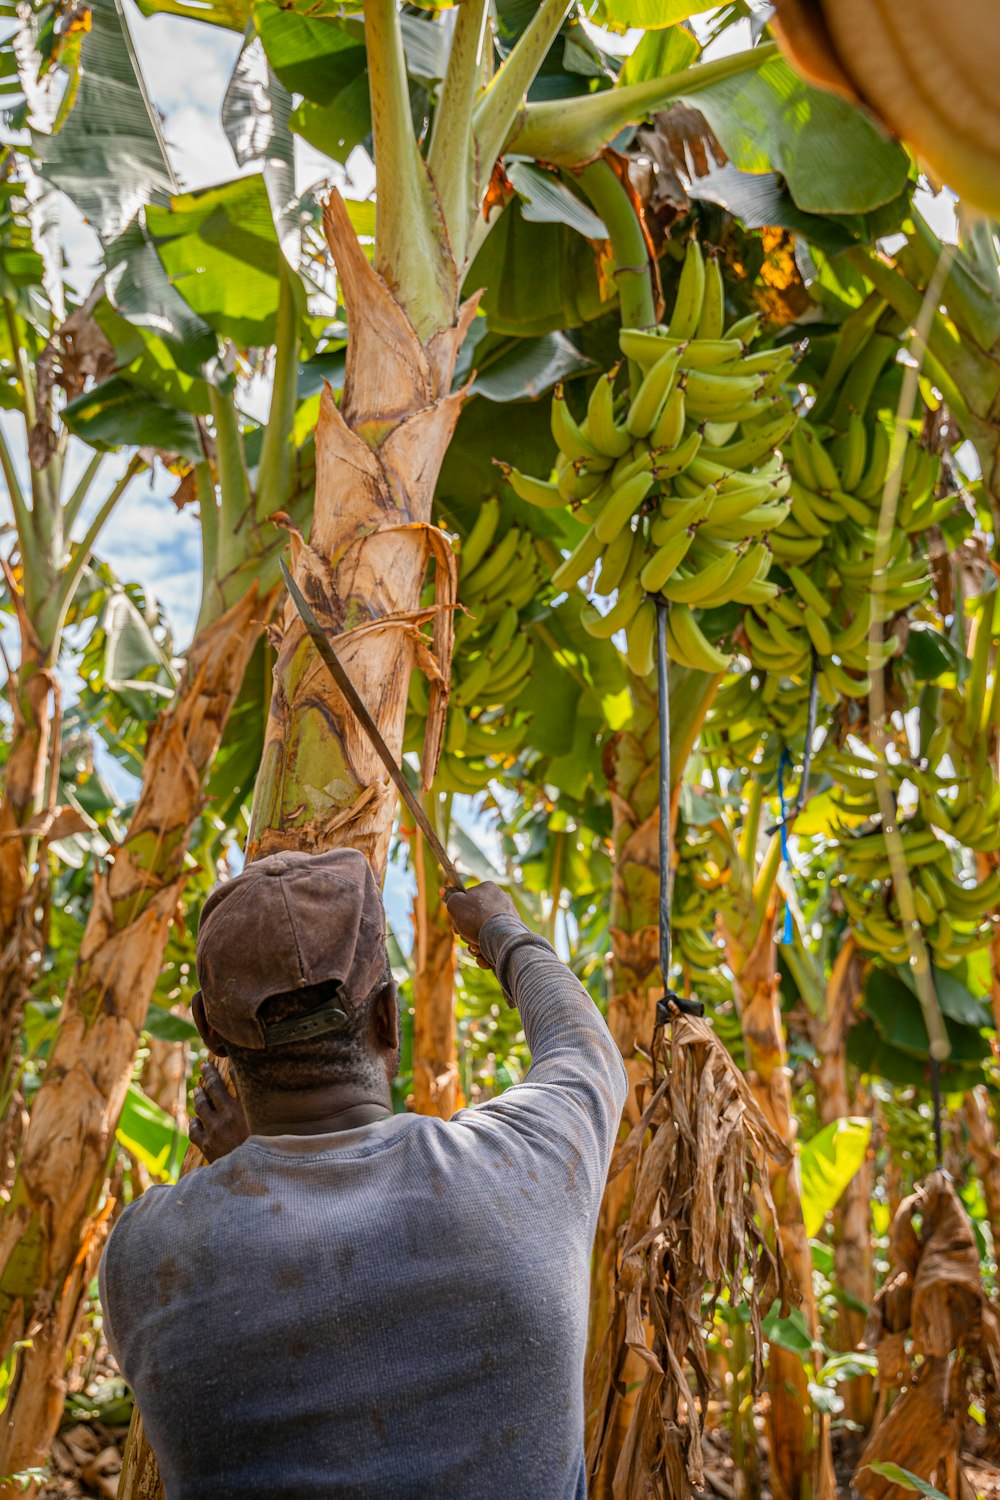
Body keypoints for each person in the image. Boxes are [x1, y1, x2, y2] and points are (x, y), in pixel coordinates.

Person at [99, 848, 628, 1500]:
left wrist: (243, 1168)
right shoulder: (525, 1168)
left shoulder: (145, 1254)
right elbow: (586, 1051)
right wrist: (501, 928)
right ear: (389, 1016)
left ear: (210, 1031)